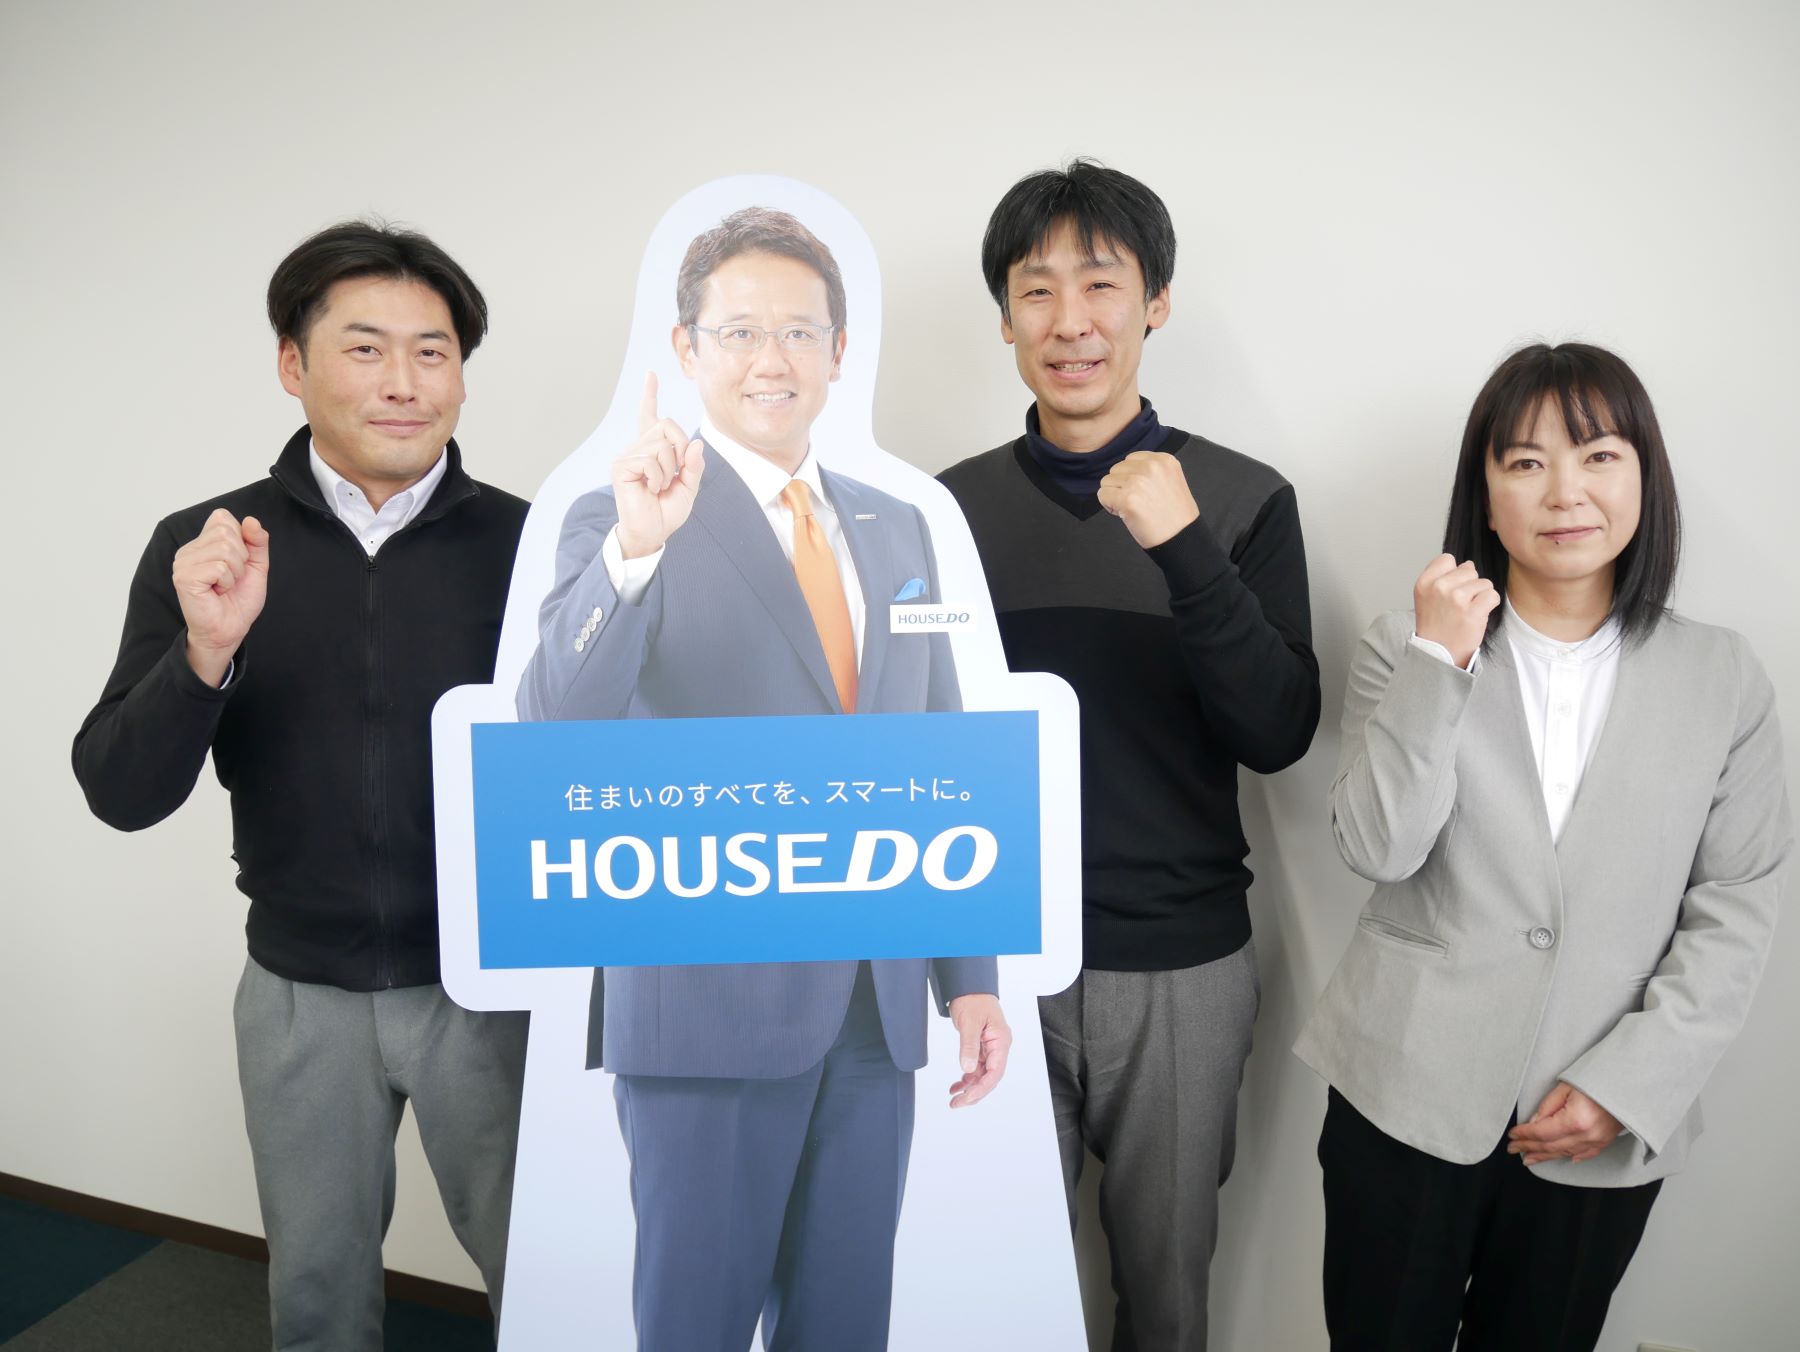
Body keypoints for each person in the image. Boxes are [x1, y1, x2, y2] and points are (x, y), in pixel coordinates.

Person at [515, 206, 1010, 1352]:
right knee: (693, 1327)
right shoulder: (621, 516)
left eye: (798, 331)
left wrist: (968, 977)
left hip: (874, 1010)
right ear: (685, 351)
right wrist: (637, 549)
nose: (770, 358)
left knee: (846, 1328)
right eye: (738, 332)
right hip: (705, 1009)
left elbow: (932, 753)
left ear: (840, 352)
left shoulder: (898, 529)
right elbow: (556, 725)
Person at [72, 221, 531, 1352]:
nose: (404, 382)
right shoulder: (208, 546)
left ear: (461, 374)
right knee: (318, 1299)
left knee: (550, 1285)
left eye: (432, 351)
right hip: (297, 993)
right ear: (293, 363)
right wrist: (205, 653)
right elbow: (120, 790)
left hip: (494, 987)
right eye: (365, 348)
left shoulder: (534, 546)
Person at [1294, 341, 1792, 1350]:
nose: (1565, 491)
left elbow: (1737, 903)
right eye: (1526, 461)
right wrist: (1439, 660)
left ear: (1644, 477)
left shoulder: (1723, 676)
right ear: (1484, 493)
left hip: (1596, 1117)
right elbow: (1380, 847)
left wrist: (1630, 1084)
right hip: (1405, 1097)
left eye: (1599, 456)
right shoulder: (1405, 644)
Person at [939, 159, 1321, 1351]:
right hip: (993, 961)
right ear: (1005, 317)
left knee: (1166, 1290)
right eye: (1037, 288)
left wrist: (1186, 549)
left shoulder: (1242, 498)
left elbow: (1278, 731)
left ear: (1155, 303)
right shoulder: (941, 513)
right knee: (1001, 1287)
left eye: (1101, 283)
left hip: (1178, 962)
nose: (1071, 320)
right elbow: (915, 734)